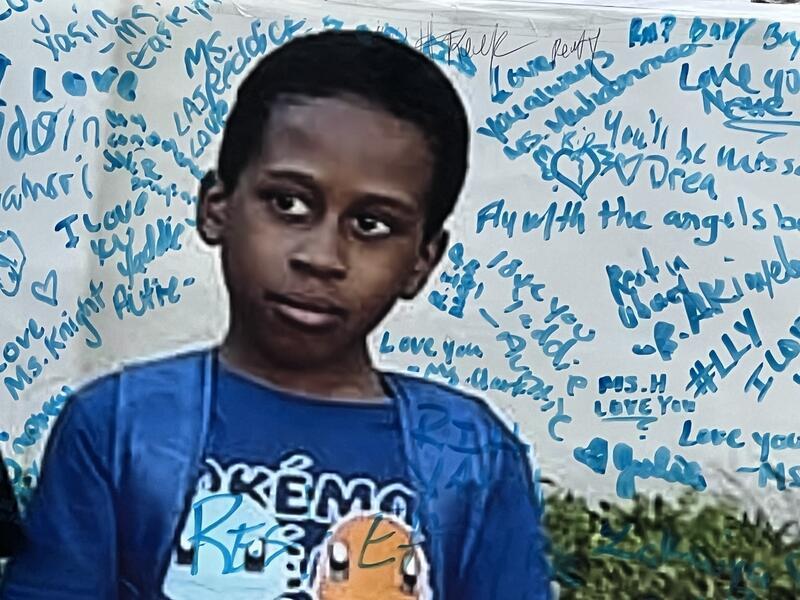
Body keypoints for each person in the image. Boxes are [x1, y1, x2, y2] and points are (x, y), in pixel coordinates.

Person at [0, 30, 551, 599]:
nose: (321, 257)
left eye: (372, 225)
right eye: (288, 204)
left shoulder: (469, 457)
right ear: (216, 208)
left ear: (421, 261)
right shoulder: (120, 428)